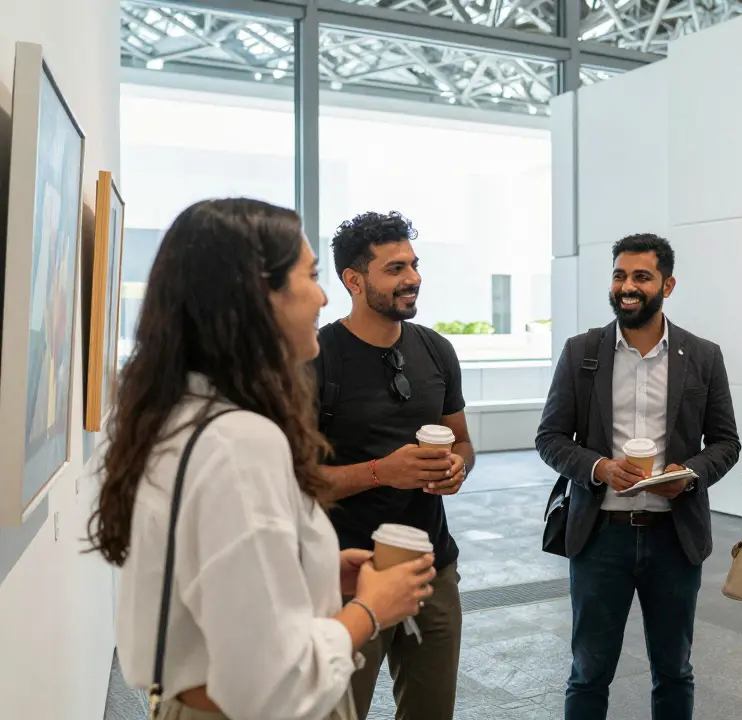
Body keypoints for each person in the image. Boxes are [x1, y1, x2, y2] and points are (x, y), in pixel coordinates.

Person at [91, 199, 433, 720]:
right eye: (310, 276)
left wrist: (317, 570)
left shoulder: (175, 413)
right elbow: (274, 684)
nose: (323, 296)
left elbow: (214, 579)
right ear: (256, 296)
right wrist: (370, 609)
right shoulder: (240, 443)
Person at [536, 233, 740, 720]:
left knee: (674, 671)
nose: (627, 286)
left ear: (667, 285)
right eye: (619, 275)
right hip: (599, 538)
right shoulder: (582, 352)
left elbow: (726, 443)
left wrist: (689, 474)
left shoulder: (703, 355)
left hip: (674, 537)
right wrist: (599, 468)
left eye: (641, 277)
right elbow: (550, 438)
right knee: (588, 673)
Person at [313, 211, 473, 720]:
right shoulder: (317, 359)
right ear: (354, 280)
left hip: (432, 570)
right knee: (338, 712)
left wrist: (456, 469)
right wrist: (383, 471)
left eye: (414, 265)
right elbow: (294, 482)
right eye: (395, 268)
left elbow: (462, 442)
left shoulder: (436, 350)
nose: (412, 278)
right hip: (346, 574)